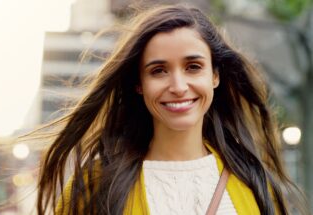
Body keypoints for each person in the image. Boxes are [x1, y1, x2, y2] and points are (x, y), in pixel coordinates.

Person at [37, 4, 306, 215]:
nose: (178, 86)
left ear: (215, 76)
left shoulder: (252, 180)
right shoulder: (96, 183)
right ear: (139, 84)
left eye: (193, 67)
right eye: (158, 71)